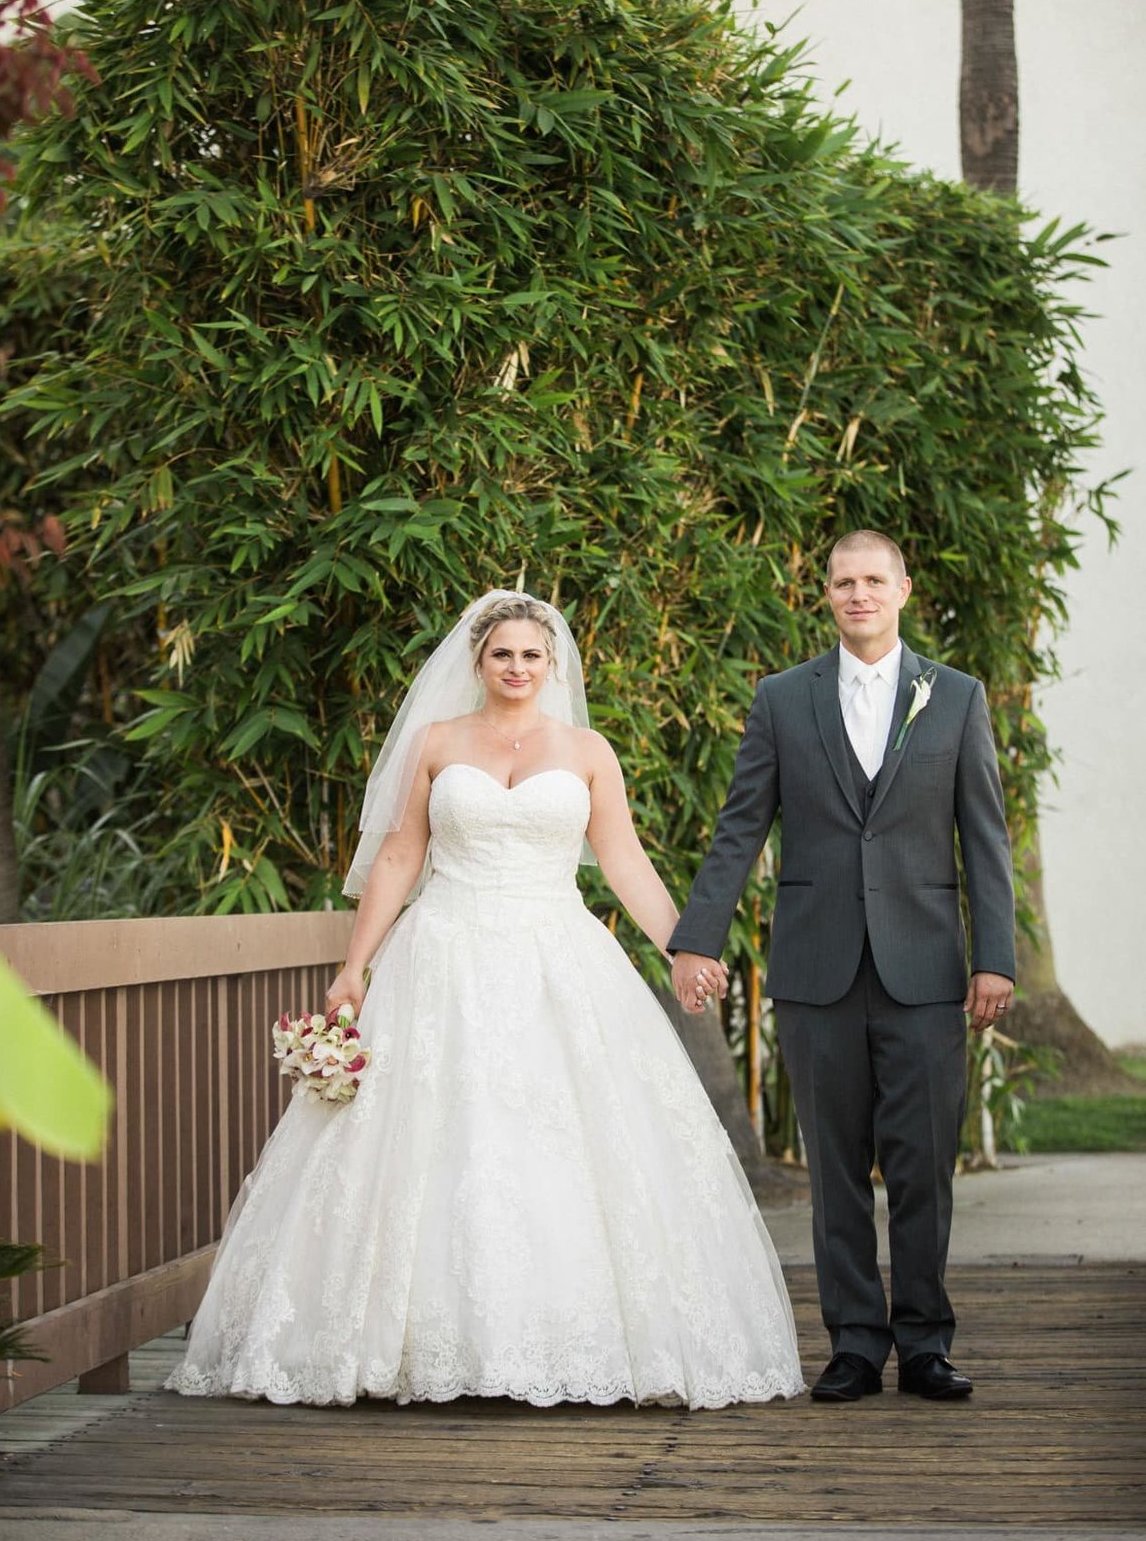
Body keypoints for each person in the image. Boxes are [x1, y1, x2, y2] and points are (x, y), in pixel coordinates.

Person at [166, 589, 802, 1410]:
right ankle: (413, 1345)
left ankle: (562, 1341)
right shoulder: (436, 742)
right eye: (502, 653)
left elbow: (623, 861)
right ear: (477, 662)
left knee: (562, 1136)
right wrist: (355, 966)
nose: (517, 667)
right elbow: (399, 857)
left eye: (532, 655)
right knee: (436, 1135)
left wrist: (684, 946)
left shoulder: (587, 751)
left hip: (557, 955)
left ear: (553, 664)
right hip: (444, 955)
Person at [669, 531, 1015, 1403]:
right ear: (824, 594)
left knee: (922, 1163)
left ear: (903, 586)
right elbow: (741, 825)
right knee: (833, 1168)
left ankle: (926, 1343)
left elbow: (985, 840)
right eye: (841, 582)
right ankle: (855, 1343)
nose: (857, 594)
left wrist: (995, 960)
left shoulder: (958, 696)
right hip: (818, 965)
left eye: (872, 580)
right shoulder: (784, 699)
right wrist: (699, 937)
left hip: (928, 969)